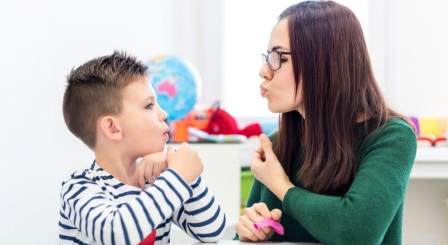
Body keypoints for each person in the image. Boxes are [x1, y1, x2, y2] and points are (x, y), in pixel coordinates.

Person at [235, 1, 417, 245]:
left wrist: (281, 187)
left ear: (323, 61)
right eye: (267, 57)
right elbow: (246, 234)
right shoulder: (278, 144)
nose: (264, 71)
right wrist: (251, 233)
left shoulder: (391, 137)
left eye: (278, 57)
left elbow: (358, 232)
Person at [59, 51, 225, 245]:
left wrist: (190, 178)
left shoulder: (156, 182)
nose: (163, 113)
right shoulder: (79, 188)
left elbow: (212, 231)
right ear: (113, 128)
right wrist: (178, 176)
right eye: (149, 106)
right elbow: (117, 234)